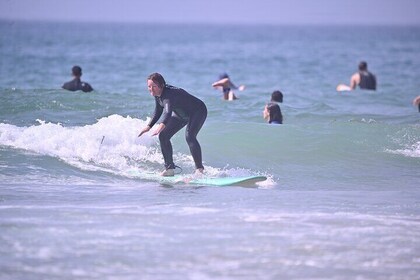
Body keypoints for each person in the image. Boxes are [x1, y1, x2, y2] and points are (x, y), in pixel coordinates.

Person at [138, 73, 207, 176]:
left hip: (198, 111)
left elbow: (167, 112)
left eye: (154, 86)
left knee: (190, 137)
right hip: (182, 113)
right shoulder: (158, 93)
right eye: (149, 86)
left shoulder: (168, 95)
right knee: (163, 136)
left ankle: (199, 169)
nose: (151, 89)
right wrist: (149, 126)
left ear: (161, 85)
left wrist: (162, 125)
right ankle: (169, 169)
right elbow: (158, 109)